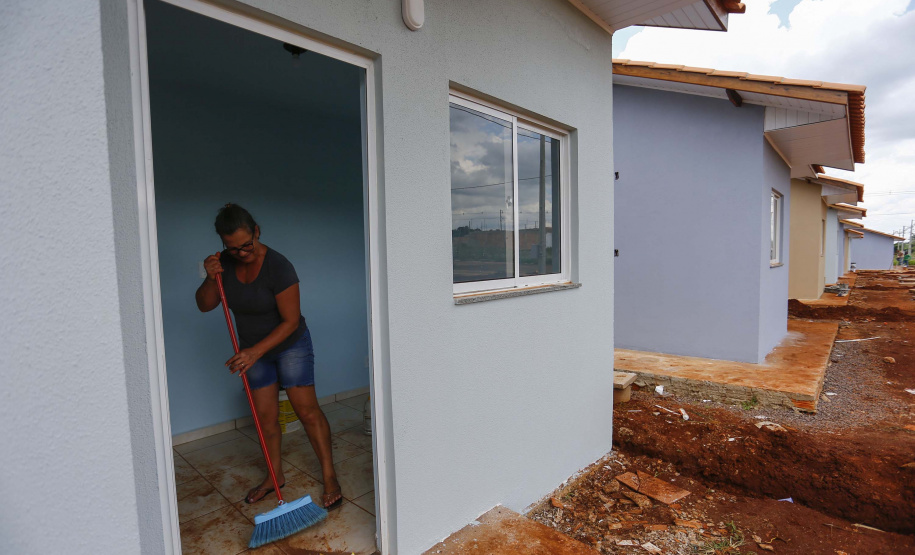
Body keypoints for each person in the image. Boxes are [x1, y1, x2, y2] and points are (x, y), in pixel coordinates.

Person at [195, 203, 342, 509]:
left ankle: (329, 476)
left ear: (257, 232)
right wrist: (210, 278)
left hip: (290, 344)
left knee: (306, 410)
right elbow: (205, 305)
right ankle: (274, 476)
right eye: (232, 248)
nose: (241, 253)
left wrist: (253, 352)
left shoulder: (279, 266)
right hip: (253, 351)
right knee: (265, 418)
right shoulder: (222, 263)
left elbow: (290, 321)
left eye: (246, 245)